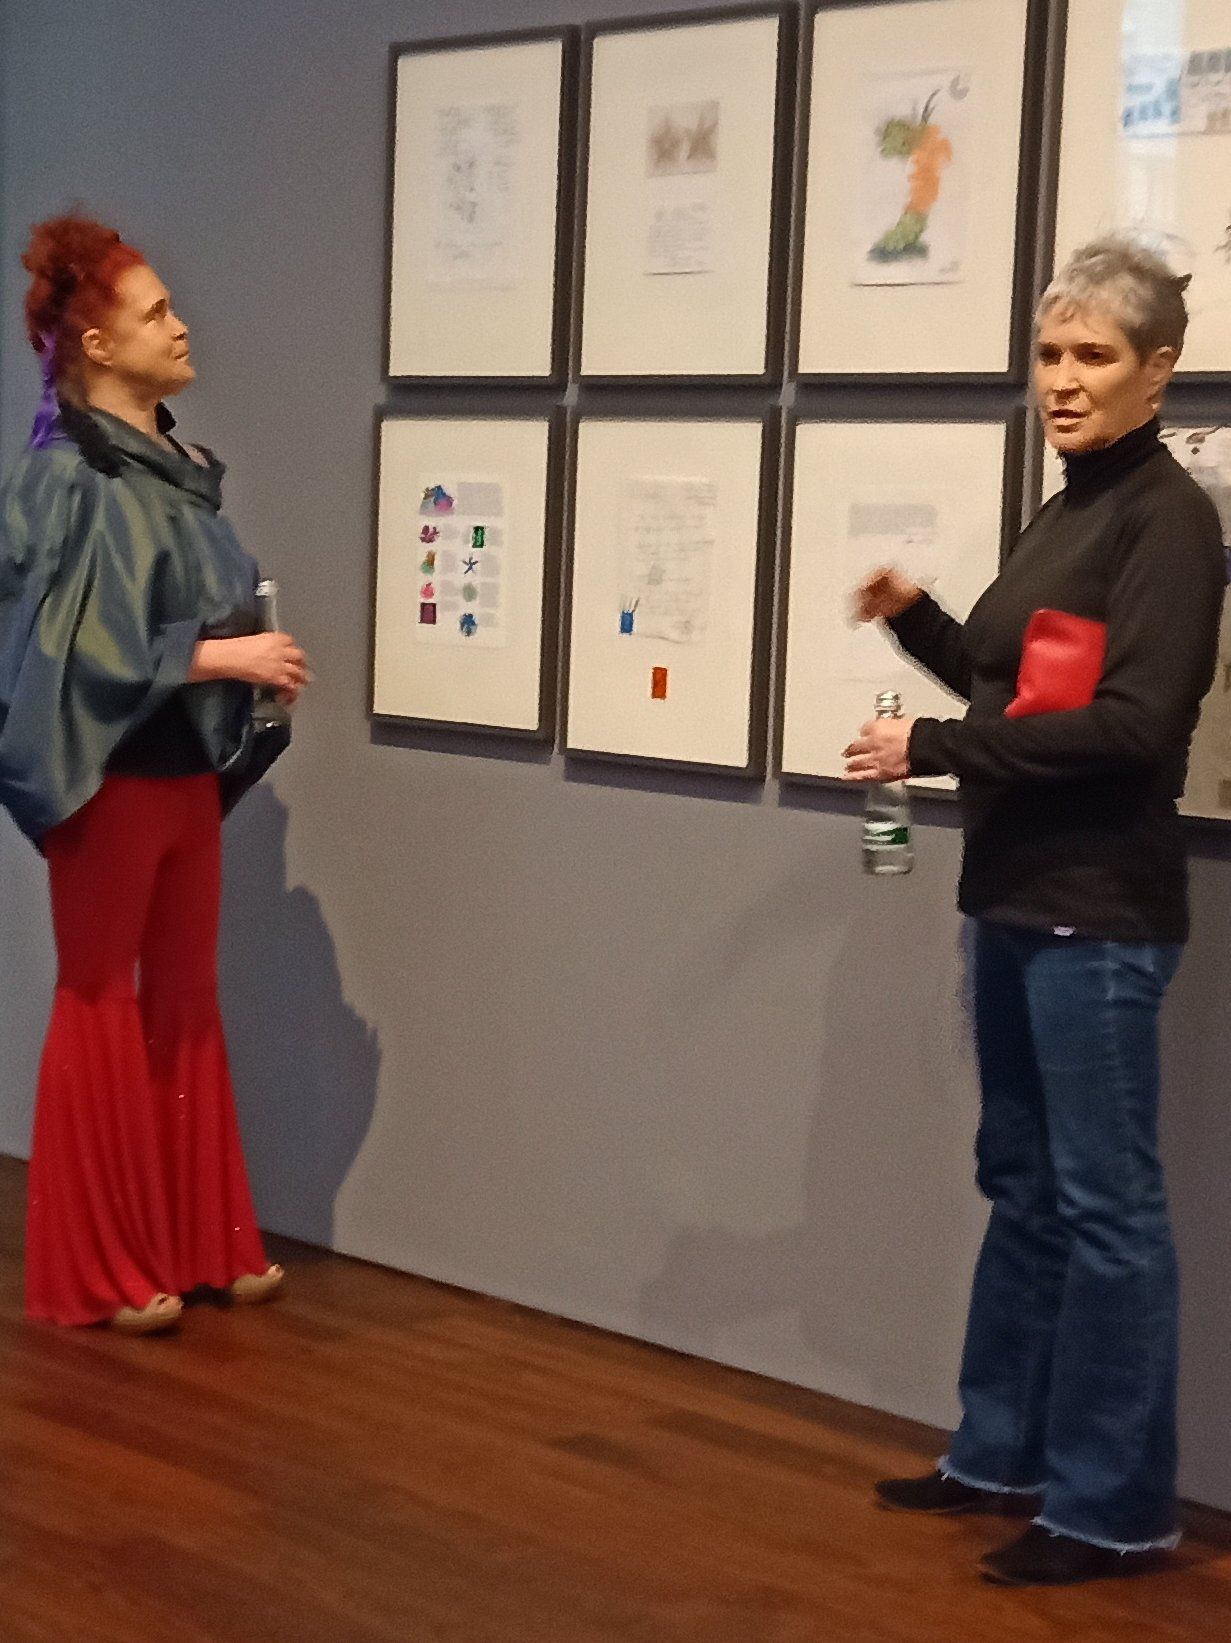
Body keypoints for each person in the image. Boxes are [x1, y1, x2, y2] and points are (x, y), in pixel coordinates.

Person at [844, 238, 1225, 1586]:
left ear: (1154, 372)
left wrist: (933, 746)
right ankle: (1000, 1449)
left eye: (1092, 357)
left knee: (1106, 1207)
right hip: (1011, 896)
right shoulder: (1065, 509)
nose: (1060, 380)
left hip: (1097, 910)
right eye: (1049, 353)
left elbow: (1131, 727)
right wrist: (921, 625)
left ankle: (1112, 1506)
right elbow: (1019, 688)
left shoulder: (1166, 523)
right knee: (1022, 1184)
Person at [0, 215, 311, 1333]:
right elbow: (55, 647)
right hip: (109, 779)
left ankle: (200, 1239)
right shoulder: (60, 480)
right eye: (157, 313)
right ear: (95, 345)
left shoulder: (175, 474)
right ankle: (100, 1265)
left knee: (185, 997)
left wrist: (245, 676)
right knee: (99, 997)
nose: (182, 328)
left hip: (181, 776)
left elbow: (180, 606)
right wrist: (222, 658)